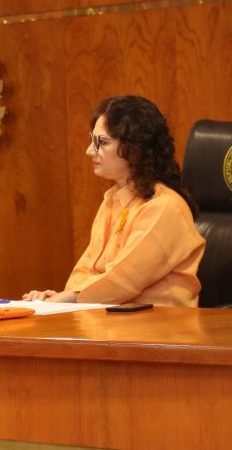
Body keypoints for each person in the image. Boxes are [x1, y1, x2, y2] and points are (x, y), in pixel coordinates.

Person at [24, 95, 204, 307]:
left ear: (134, 148)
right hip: (112, 322)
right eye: (92, 140)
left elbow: (123, 280)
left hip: (160, 330)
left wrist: (65, 300)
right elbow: (87, 268)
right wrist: (60, 298)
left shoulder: (164, 207)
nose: (89, 150)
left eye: (102, 142)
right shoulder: (112, 200)